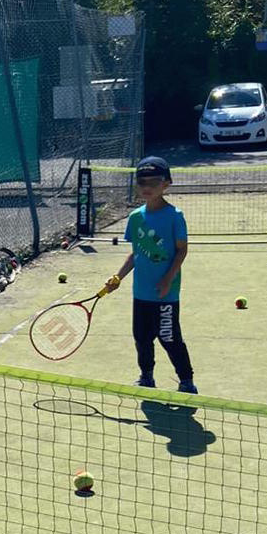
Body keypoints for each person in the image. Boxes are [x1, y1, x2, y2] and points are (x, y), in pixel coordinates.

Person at [110, 156, 196, 393]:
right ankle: (146, 376)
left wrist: (168, 279)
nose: (146, 187)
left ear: (166, 184)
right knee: (142, 337)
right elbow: (135, 254)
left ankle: (186, 380)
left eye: (153, 182)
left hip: (165, 293)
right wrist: (118, 277)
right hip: (141, 292)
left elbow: (182, 251)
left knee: (169, 338)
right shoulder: (136, 217)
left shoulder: (174, 216)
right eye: (142, 182)